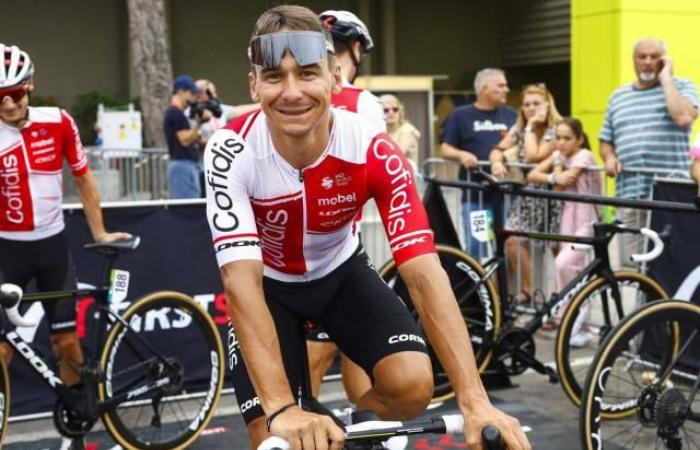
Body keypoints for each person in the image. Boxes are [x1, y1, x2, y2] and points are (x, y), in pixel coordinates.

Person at [204, 5, 529, 450]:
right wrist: (281, 409)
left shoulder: (371, 147)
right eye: (275, 77)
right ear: (254, 85)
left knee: (413, 386)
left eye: (307, 73)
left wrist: (475, 399)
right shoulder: (230, 148)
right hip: (269, 287)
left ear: (336, 77)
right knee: (272, 438)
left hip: (340, 274)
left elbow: (422, 269)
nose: (292, 92)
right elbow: (240, 280)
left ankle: (352, 432)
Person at [0, 43, 130, 450]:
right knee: (1, 350)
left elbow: (84, 177)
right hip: (8, 251)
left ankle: (79, 423)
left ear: (30, 87)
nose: (8, 105)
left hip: (53, 246)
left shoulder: (57, 121)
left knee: (65, 342)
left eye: (16, 94)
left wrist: (101, 234)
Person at [305, 8, 386, 407]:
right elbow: (376, 171)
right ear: (355, 49)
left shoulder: (294, 96)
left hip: (298, 247)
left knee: (356, 349)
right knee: (318, 360)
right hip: (334, 249)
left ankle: (369, 427)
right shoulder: (363, 100)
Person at [599, 38, 698, 266]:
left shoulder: (682, 87)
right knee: (631, 262)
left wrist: (666, 80)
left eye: (654, 57)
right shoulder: (618, 96)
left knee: (669, 263)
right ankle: (639, 303)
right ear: (633, 61)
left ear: (664, 61)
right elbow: (606, 140)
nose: (648, 62)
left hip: (669, 193)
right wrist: (609, 156)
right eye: (642, 57)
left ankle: (668, 303)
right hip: (630, 193)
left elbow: (683, 118)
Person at [528, 118, 601, 344]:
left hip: (587, 220)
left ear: (579, 139)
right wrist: (554, 173)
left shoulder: (584, 156)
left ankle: (578, 323)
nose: (561, 143)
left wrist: (556, 171)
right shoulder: (562, 156)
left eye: (567, 138)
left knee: (565, 265)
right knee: (568, 270)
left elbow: (565, 180)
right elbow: (533, 174)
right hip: (568, 218)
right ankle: (576, 324)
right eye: (558, 138)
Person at [489, 84, 563, 303]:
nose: (530, 108)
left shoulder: (556, 128)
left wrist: (531, 127)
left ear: (547, 105)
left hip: (552, 196)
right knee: (511, 238)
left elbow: (533, 156)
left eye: (536, 104)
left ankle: (565, 303)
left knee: (558, 253)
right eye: (527, 104)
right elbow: (497, 148)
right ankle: (530, 291)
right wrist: (495, 162)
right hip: (527, 196)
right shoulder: (518, 128)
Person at [440, 68, 517, 259]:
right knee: (478, 246)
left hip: (506, 196)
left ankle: (506, 289)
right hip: (476, 197)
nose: (506, 89)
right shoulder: (460, 115)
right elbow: (445, 149)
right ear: (484, 89)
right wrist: (462, 155)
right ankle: (480, 288)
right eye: (501, 85)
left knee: (509, 248)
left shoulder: (512, 115)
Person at [164, 74, 210, 199]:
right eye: (192, 93)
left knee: (192, 208)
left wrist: (199, 141)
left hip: (188, 165)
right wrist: (199, 124)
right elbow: (184, 140)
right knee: (186, 210)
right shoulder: (175, 113)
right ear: (180, 92)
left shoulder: (178, 113)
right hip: (182, 166)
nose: (194, 97)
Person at [380, 94, 420, 169]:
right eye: (386, 110)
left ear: (400, 111)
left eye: (395, 109)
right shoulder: (381, 132)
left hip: (406, 176)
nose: (391, 112)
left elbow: (396, 156)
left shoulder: (408, 130)